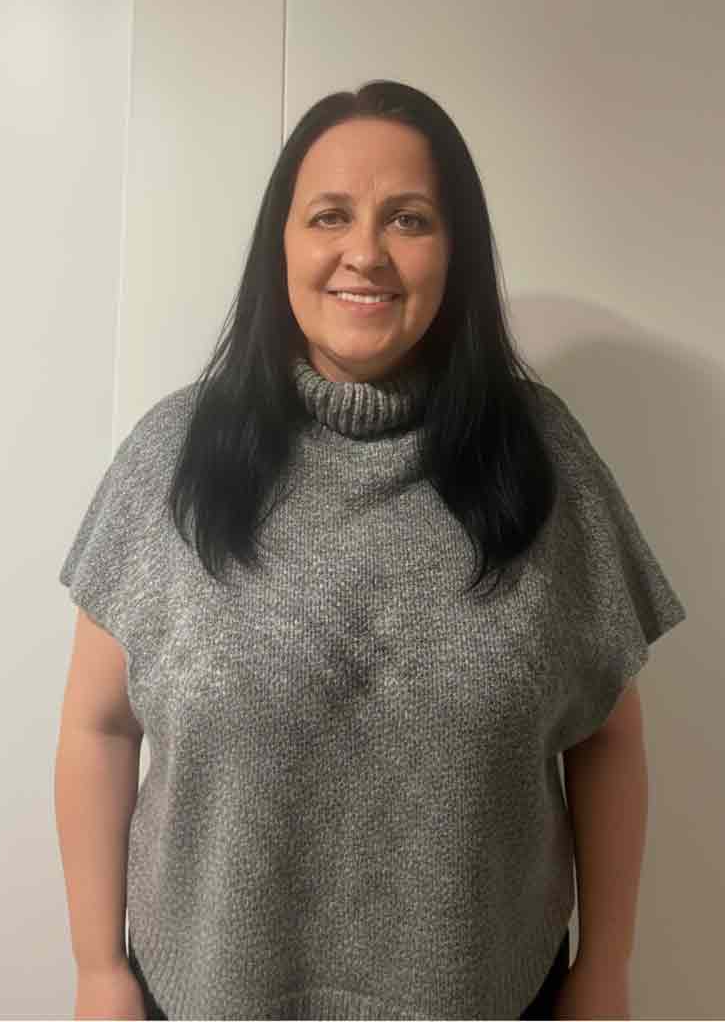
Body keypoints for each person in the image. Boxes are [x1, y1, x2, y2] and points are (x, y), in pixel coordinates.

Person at [55, 80, 687, 1020]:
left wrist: (606, 967)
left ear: (455, 251)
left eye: (409, 219)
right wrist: (98, 969)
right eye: (330, 216)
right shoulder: (176, 457)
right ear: (282, 244)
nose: (365, 252)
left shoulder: (539, 457)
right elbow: (98, 728)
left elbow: (608, 736)